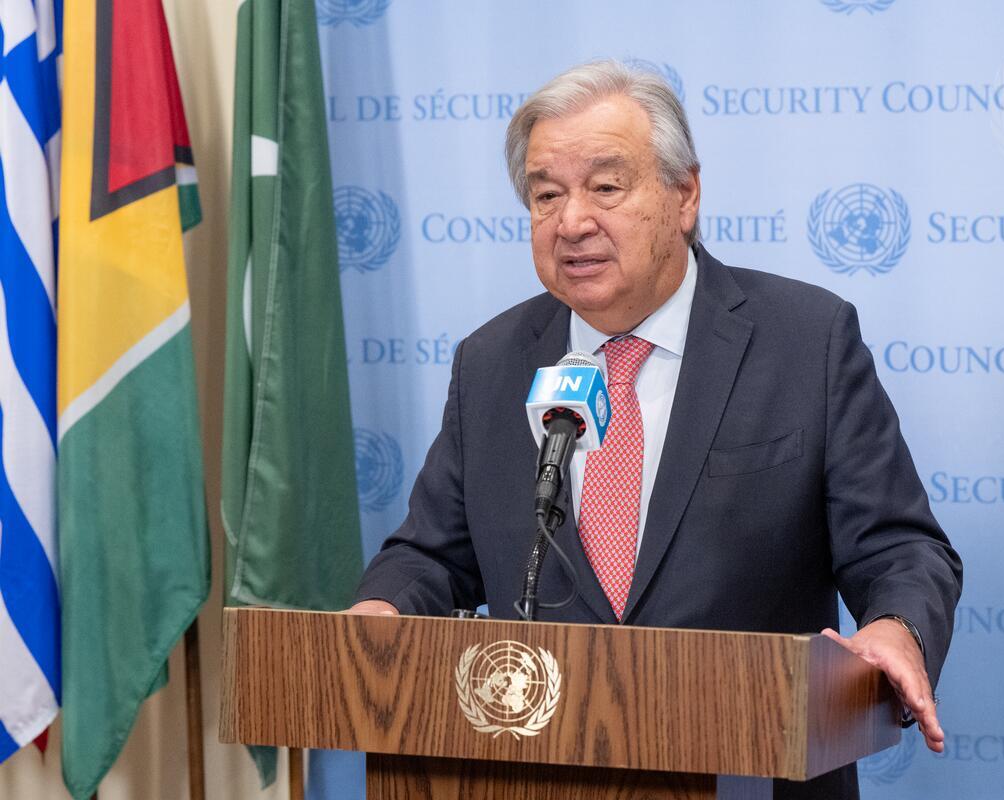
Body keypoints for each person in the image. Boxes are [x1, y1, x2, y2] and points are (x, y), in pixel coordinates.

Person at [350, 60, 962, 800]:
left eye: (606, 187)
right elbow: (432, 554)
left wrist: (896, 627)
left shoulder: (806, 341)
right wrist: (378, 613)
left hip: (755, 768)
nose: (572, 221)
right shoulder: (492, 362)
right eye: (546, 195)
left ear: (684, 196)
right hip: (538, 771)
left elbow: (898, 547)